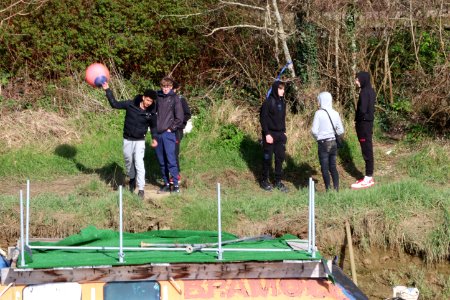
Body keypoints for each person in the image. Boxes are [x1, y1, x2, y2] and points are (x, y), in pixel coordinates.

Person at [102, 82, 158, 199]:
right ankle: (132, 178)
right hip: (127, 139)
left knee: (139, 163)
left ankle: (141, 189)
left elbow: (153, 127)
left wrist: (154, 138)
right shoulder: (130, 104)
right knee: (128, 162)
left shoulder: (151, 113)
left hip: (139, 141)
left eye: (150, 101)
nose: (148, 103)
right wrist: (107, 90)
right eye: (147, 100)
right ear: (143, 97)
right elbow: (115, 104)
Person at [155, 77, 184, 193]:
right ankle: (166, 184)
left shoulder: (175, 98)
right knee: (161, 161)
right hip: (158, 134)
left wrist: (171, 128)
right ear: (161, 87)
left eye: (167, 86)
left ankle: (176, 186)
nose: (165, 89)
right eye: (163, 86)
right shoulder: (158, 97)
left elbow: (180, 117)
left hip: (168, 134)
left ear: (171, 87)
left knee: (171, 160)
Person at [311, 92, 344, 191]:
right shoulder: (335, 113)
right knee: (333, 167)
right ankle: (337, 189)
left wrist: (318, 137)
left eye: (319, 100)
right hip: (333, 142)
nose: (318, 102)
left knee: (324, 168)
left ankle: (328, 190)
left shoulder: (318, 113)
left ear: (321, 100)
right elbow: (341, 130)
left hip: (323, 144)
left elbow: (314, 131)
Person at [259, 80, 288, 192]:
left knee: (280, 158)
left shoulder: (283, 103)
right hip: (269, 134)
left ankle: (278, 181)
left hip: (280, 135)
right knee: (267, 159)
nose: (282, 91)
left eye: (283, 89)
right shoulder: (268, 102)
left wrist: (284, 131)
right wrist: (266, 134)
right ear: (276, 89)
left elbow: (282, 119)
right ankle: (264, 180)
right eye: (280, 89)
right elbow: (263, 119)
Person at [351, 71, 376, 189]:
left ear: (362, 79)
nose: (356, 82)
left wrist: (357, 120)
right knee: (367, 148)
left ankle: (368, 177)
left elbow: (362, 110)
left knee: (366, 150)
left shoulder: (364, 93)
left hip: (364, 125)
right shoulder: (371, 91)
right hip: (368, 124)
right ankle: (368, 176)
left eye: (357, 79)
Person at [172, 80, 191, 183]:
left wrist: (179, 123)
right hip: (166, 131)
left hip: (177, 131)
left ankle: (176, 175)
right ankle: (168, 176)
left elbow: (188, 114)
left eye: (170, 88)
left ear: (175, 89)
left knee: (174, 153)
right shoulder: (163, 100)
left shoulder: (181, 99)